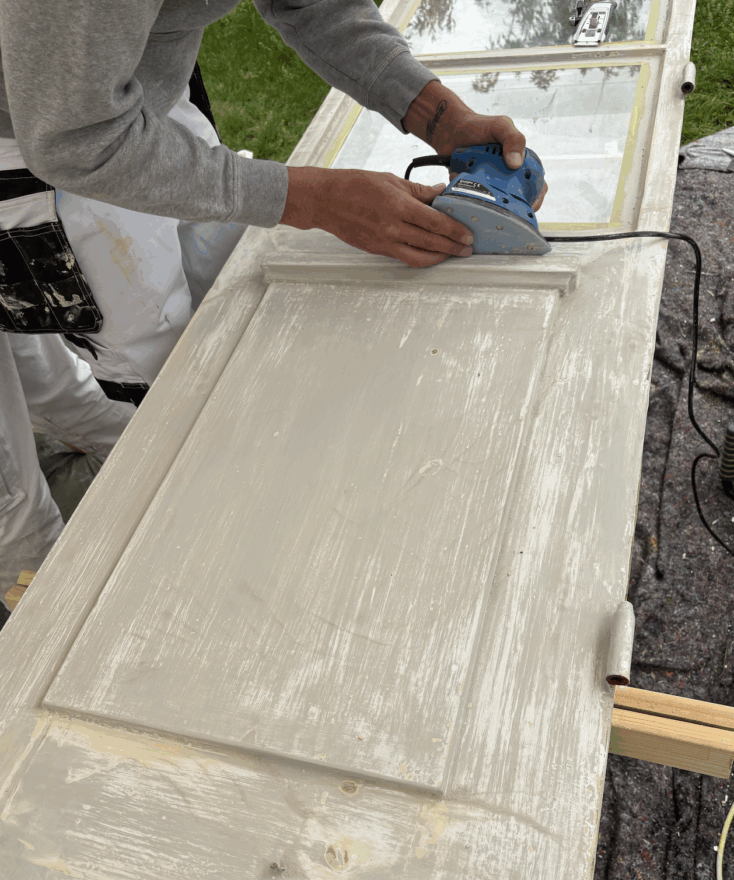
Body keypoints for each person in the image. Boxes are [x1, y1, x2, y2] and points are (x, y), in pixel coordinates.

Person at [0, 0, 546, 610]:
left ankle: (113, 451)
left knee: (223, 322)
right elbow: (76, 136)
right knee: (156, 398)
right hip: (50, 146)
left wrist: (437, 114)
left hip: (127, 100)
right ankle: (75, 607)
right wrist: (309, 200)